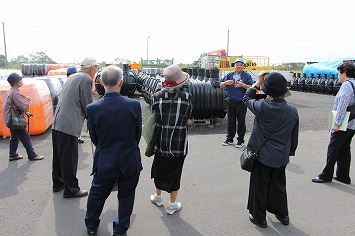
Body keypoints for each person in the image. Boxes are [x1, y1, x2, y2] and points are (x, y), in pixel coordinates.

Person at [85, 65, 142, 236]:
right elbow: (137, 134)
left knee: (97, 193)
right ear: (121, 82)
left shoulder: (93, 108)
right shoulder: (134, 105)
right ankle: (120, 229)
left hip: (105, 158)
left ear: (101, 82)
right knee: (126, 196)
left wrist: (105, 148)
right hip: (129, 158)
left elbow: (94, 137)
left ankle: (92, 225)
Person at [243, 71, 299, 228]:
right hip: (281, 156)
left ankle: (259, 217)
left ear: (267, 90)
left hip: (262, 156)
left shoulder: (262, 107)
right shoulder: (292, 110)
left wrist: (257, 83)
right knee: (279, 186)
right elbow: (293, 136)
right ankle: (283, 215)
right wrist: (290, 153)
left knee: (260, 186)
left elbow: (246, 98)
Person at [150, 64, 192, 215]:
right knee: (175, 172)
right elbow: (188, 116)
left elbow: (154, 115)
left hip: (161, 141)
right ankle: (172, 204)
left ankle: (158, 197)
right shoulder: (187, 98)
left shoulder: (157, 97)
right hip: (179, 143)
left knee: (159, 168)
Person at [52, 57, 96, 197]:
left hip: (58, 121)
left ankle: (58, 183)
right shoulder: (86, 79)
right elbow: (87, 104)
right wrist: (93, 120)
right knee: (69, 158)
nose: (96, 71)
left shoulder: (73, 76)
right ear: (90, 68)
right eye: (95, 68)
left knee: (59, 156)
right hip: (69, 124)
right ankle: (71, 189)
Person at [312, 61, 355, 184]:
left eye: (339, 73)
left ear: (345, 73)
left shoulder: (347, 85)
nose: (338, 76)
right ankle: (343, 176)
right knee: (345, 149)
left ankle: (326, 175)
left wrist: (337, 123)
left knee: (333, 149)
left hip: (343, 123)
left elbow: (343, 103)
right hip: (352, 123)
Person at [2, 73, 44, 161]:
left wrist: (26, 112)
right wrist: (28, 100)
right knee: (25, 137)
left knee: (14, 136)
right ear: (16, 82)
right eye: (20, 80)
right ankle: (32, 155)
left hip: (11, 119)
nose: (22, 81)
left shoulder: (10, 92)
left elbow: (15, 106)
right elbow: (22, 106)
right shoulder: (15, 93)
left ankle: (13, 154)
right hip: (16, 120)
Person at [220, 58, 253, 148]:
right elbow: (221, 86)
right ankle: (229, 139)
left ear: (244, 66)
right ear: (234, 66)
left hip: (242, 102)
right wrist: (226, 82)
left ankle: (240, 140)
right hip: (230, 101)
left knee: (241, 122)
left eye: (241, 65)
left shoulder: (247, 76)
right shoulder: (229, 75)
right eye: (237, 64)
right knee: (230, 121)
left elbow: (251, 87)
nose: (239, 66)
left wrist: (242, 85)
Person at [66, 66, 85, 144]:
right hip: (71, 107)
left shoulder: (72, 81)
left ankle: (78, 137)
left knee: (78, 123)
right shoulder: (69, 83)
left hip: (76, 107)